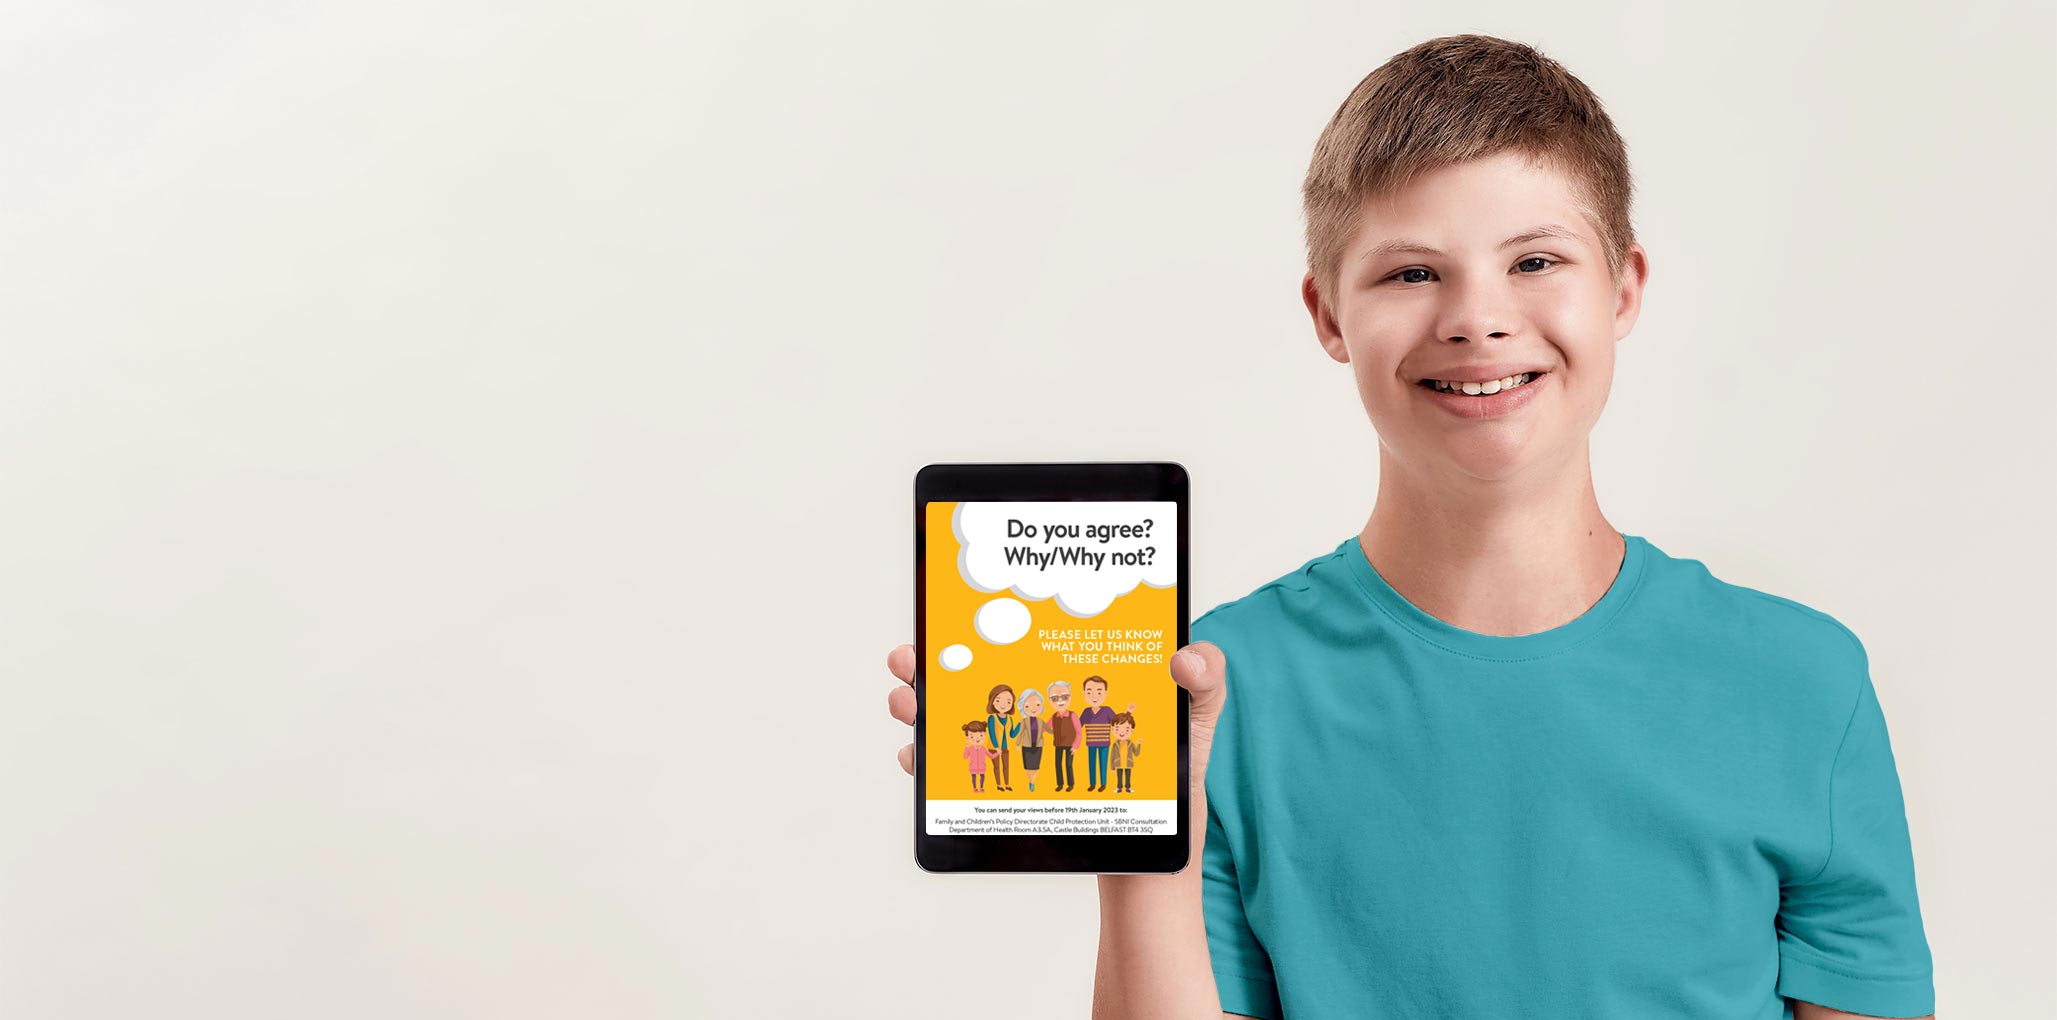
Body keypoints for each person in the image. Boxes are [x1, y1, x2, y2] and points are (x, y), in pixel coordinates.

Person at [884, 33, 1933, 1020]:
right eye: (1410, 272)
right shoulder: (1213, 695)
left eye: (1533, 261)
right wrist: (1134, 834)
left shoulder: (1800, 683)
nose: (1475, 318)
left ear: (1622, 287)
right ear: (1327, 315)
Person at [984, 684, 1020, 792]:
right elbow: (991, 733)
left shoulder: (1010, 718)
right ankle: (999, 785)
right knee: (997, 767)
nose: (1003, 705)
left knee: (1006, 767)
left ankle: (1007, 784)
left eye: (1008, 702)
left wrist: (1020, 726)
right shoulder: (992, 718)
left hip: (1005, 747)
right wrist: (996, 746)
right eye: (999, 700)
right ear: (993, 701)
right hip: (994, 747)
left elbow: (1012, 734)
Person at [1045, 680, 1080, 793]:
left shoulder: (1073, 715)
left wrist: (1075, 746)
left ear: (1070, 697)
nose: (1060, 701)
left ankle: (1071, 784)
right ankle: (1060, 783)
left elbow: (1079, 732)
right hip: (1058, 744)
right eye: (1055, 698)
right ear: (1050, 701)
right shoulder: (1054, 716)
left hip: (1070, 744)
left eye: (1064, 697)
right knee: (1057, 764)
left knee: (1068, 764)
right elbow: (1045, 728)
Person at [1016, 688, 1048, 792]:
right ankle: (1029, 780)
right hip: (1026, 746)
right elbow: (1020, 733)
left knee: (1036, 766)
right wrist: (1017, 744)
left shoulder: (1040, 721)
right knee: (1027, 767)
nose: (1033, 708)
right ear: (1023, 707)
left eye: (1037, 705)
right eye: (1027, 706)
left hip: (1038, 746)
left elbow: (1049, 730)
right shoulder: (1023, 721)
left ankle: (1032, 782)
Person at [1108, 712, 1141, 794]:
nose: (1122, 732)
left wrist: (1139, 744)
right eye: (1118, 729)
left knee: (1128, 777)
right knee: (1119, 777)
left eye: (1126, 730)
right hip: (1118, 764)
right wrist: (1112, 767)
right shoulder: (1115, 744)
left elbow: (1136, 753)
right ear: (1113, 729)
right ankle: (1119, 788)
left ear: (1131, 730)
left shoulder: (1130, 743)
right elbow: (1112, 756)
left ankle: (1128, 787)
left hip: (1128, 764)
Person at [960, 721, 997, 793]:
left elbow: (991, 756)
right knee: (973, 777)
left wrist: (998, 753)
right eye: (972, 736)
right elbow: (965, 757)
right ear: (968, 737)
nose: (977, 739)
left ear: (985, 735)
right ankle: (974, 788)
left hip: (982, 767)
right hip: (972, 767)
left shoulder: (984, 749)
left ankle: (981, 787)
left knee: (982, 777)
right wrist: (966, 748)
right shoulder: (970, 749)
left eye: (981, 735)